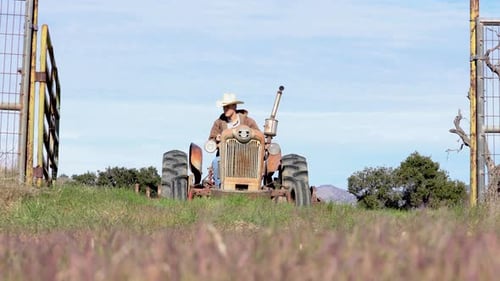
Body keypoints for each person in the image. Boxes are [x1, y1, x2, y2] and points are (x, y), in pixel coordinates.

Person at [208, 93, 260, 188]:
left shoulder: (248, 121)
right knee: (216, 162)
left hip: (245, 156)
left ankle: (253, 186)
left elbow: (259, 137)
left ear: (234, 106)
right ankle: (220, 187)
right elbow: (211, 139)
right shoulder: (219, 122)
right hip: (224, 157)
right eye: (224, 107)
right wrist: (216, 138)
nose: (225, 109)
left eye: (228, 107)